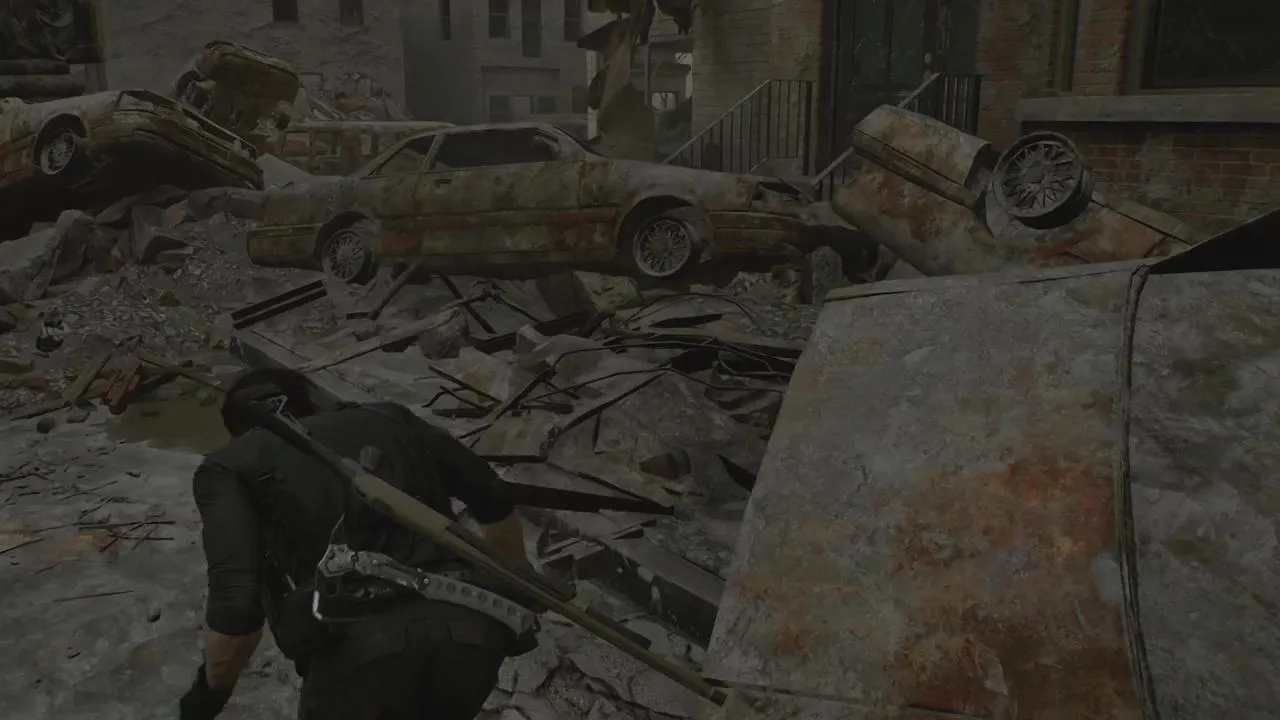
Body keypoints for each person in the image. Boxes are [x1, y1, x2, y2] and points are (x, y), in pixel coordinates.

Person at [179, 368, 533, 720]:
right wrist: (511, 584)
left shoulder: (229, 465)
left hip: (361, 649)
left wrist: (205, 699)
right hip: (472, 630)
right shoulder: (390, 417)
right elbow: (493, 499)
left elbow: (237, 608)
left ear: (234, 428)